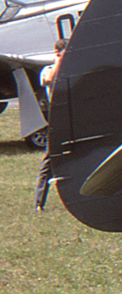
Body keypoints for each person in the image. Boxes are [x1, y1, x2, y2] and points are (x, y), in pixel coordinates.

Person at [34, 39, 66, 210]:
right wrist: (60, 60)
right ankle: (39, 202)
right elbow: (48, 80)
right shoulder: (47, 70)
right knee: (48, 163)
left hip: (72, 118)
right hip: (57, 120)